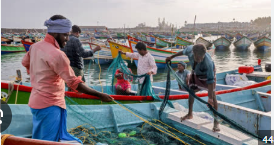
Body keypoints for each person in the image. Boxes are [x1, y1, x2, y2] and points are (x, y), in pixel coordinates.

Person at [22, 15, 113, 143]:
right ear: (54, 33)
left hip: (35, 102)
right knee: (49, 142)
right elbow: (75, 83)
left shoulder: (35, 47)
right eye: (65, 35)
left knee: (39, 139)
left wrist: (40, 77)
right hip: (51, 105)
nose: (67, 39)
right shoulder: (57, 54)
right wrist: (100, 95)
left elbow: (25, 63)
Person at [166, 44, 220, 132]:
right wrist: (172, 57)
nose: (199, 59)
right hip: (196, 72)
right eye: (197, 57)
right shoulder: (189, 50)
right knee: (191, 91)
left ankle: (216, 122)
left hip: (207, 75)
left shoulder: (208, 63)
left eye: (201, 58)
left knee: (213, 97)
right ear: (193, 53)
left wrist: (209, 98)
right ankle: (190, 114)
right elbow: (182, 52)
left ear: (204, 54)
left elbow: (210, 82)